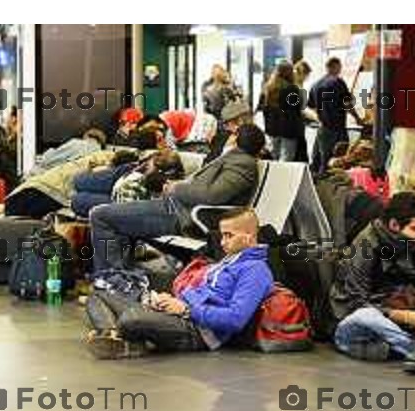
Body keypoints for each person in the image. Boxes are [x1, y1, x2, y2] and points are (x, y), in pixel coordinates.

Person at [85, 207, 274, 358]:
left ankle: (120, 338)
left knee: (132, 318)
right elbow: (201, 293)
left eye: (228, 235)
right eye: (222, 235)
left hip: (199, 332)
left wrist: (185, 310)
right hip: (183, 314)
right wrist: (171, 301)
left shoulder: (255, 270)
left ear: (249, 237)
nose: (222, 242)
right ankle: (116, 337)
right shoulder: (230, 259)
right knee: (98, 296)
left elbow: (235, 319)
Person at [90, 123, 266, 272]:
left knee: (101, 216)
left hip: (181, 215)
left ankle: (111, 281)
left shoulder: (242, 163)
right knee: (109, 217)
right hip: (174, 207)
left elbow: (210, 196)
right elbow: (204, 189)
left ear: (235, 138)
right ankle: (120, 280)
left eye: (232, 133)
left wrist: (173, 187)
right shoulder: (231, 158)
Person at [331, 192, 415, 361]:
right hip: (358, 315)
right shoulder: (365, 245)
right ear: (394, 224)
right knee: (367, 317)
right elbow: (357, 304)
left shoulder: (414, 243)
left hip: (392, 306)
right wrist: (409, 318)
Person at [71, 150, 184, 217]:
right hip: (123, 181)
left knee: (77, 198)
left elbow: (125, 213)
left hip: (121, 197)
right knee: (78, 182)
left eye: (149, 165)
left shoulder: (142, 184)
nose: (147, 165)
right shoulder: (139, 171)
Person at [308, 57, 365, 174]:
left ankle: (318, 185)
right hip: (337, 129)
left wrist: (321, 115)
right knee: (338, 161)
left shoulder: (315, 84)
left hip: (323, 128)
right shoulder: (338, 82)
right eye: (340, 67)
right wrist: (358, 119)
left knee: (319, 161)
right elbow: (347, 104)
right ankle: (330, 186)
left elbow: (311, 105)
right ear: (336, 66)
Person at [258, 61, 305, 162]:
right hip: (289, 130)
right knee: (286, 160)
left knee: (273, 157)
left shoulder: (267, 88)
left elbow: (263, 109)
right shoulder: (292, 89)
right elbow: (297, 111)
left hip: (272, 129)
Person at [203, 99, 251, 165]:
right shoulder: (220, 138)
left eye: (227, 123)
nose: (226, 127)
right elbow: (208, 161)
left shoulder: (250, 138)